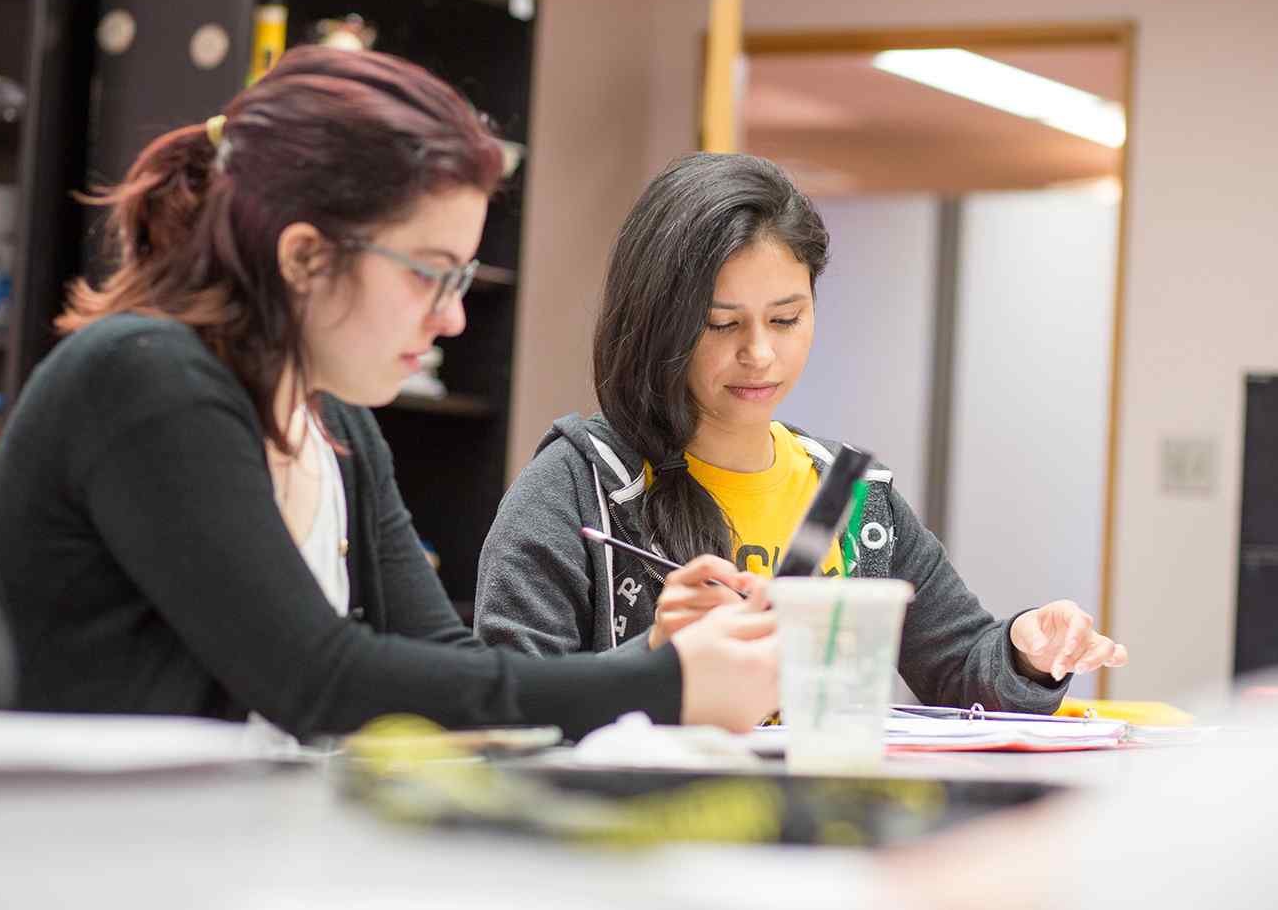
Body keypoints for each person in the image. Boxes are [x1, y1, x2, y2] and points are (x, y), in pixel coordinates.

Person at [0, 48, 777, 742]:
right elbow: (319, 680)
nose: (454, 315)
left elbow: (449, 675)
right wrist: (664, 688)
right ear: (306, 258)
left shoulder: (333, 421)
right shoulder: (144, 378)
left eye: (461, 278)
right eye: (431, 273)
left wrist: (652, 663)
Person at [474, 152, 1126, 711]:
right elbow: (508, 704)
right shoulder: (579, 487)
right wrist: (650, 659)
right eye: (722, 324)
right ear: (657, 322)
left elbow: (961, 666)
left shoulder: (851, 497)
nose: (760, 353)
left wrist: (1026, 650)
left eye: (786, 319)